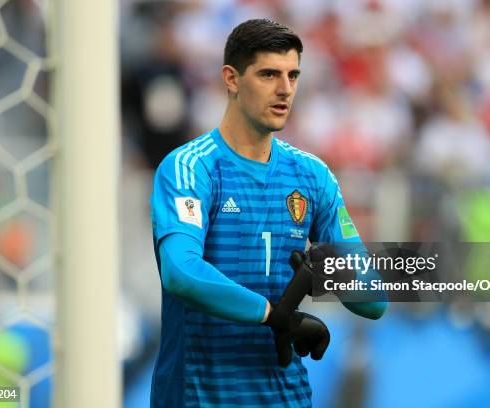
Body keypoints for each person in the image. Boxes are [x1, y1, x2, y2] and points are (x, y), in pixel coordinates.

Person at [150, 18, 387, 407]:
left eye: (293, 75)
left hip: (286, 398)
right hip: (200, 397)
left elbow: (374, 299)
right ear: (231, 79)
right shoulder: (190, 168)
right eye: (269, 75)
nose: (285, 89)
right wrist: (275, 316)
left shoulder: (313, 177)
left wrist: (326, 268)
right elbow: (181, 272)